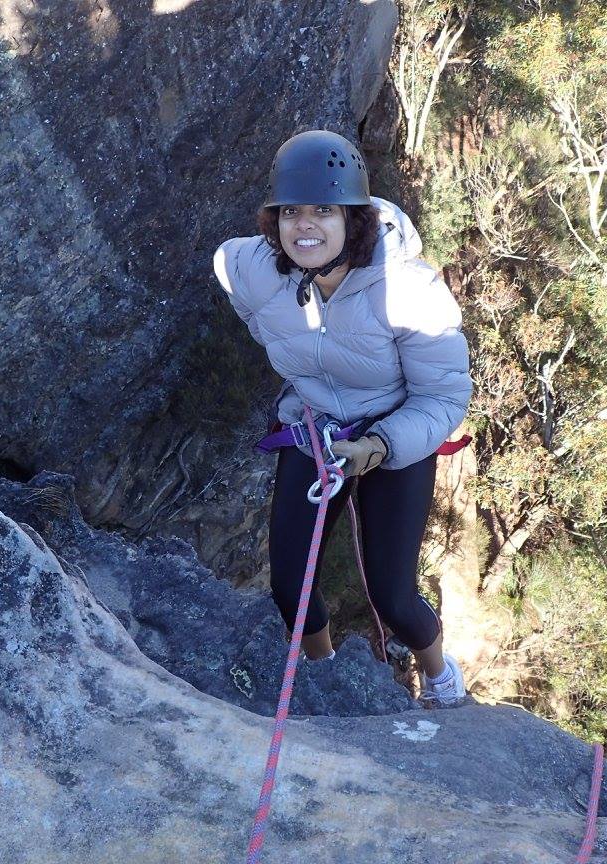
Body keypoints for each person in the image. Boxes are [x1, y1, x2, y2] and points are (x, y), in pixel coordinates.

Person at [213, 130, 472, 707]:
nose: (305, 225)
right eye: (291, 212)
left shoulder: (407, 291)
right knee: (291, 589)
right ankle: (328, 674)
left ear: (352, 218)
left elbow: (445, 398)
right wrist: (302, 368)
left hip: (394, 434)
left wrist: (377, 447)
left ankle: (440, 676)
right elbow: (236, 283)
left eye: (324, 211)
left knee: (391, 593)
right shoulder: (254, 268)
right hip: (314, 428)